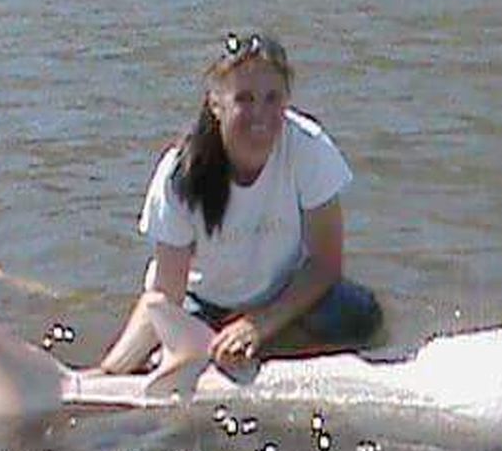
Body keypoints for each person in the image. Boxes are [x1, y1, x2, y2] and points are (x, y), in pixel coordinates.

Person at [96, 32, 382, 376]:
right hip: (204, 304)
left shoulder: (309, 148)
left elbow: (325, 265)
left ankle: (255, 349)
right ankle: (223, 351)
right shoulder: (179, 174)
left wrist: (258, 326)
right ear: (216, 104)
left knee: (362, 315)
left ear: (287, 100)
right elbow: (165, 294)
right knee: (151, 362)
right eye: (244, 99)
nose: (259, 115)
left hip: (282, 295)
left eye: (272, 98)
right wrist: (108, 373)